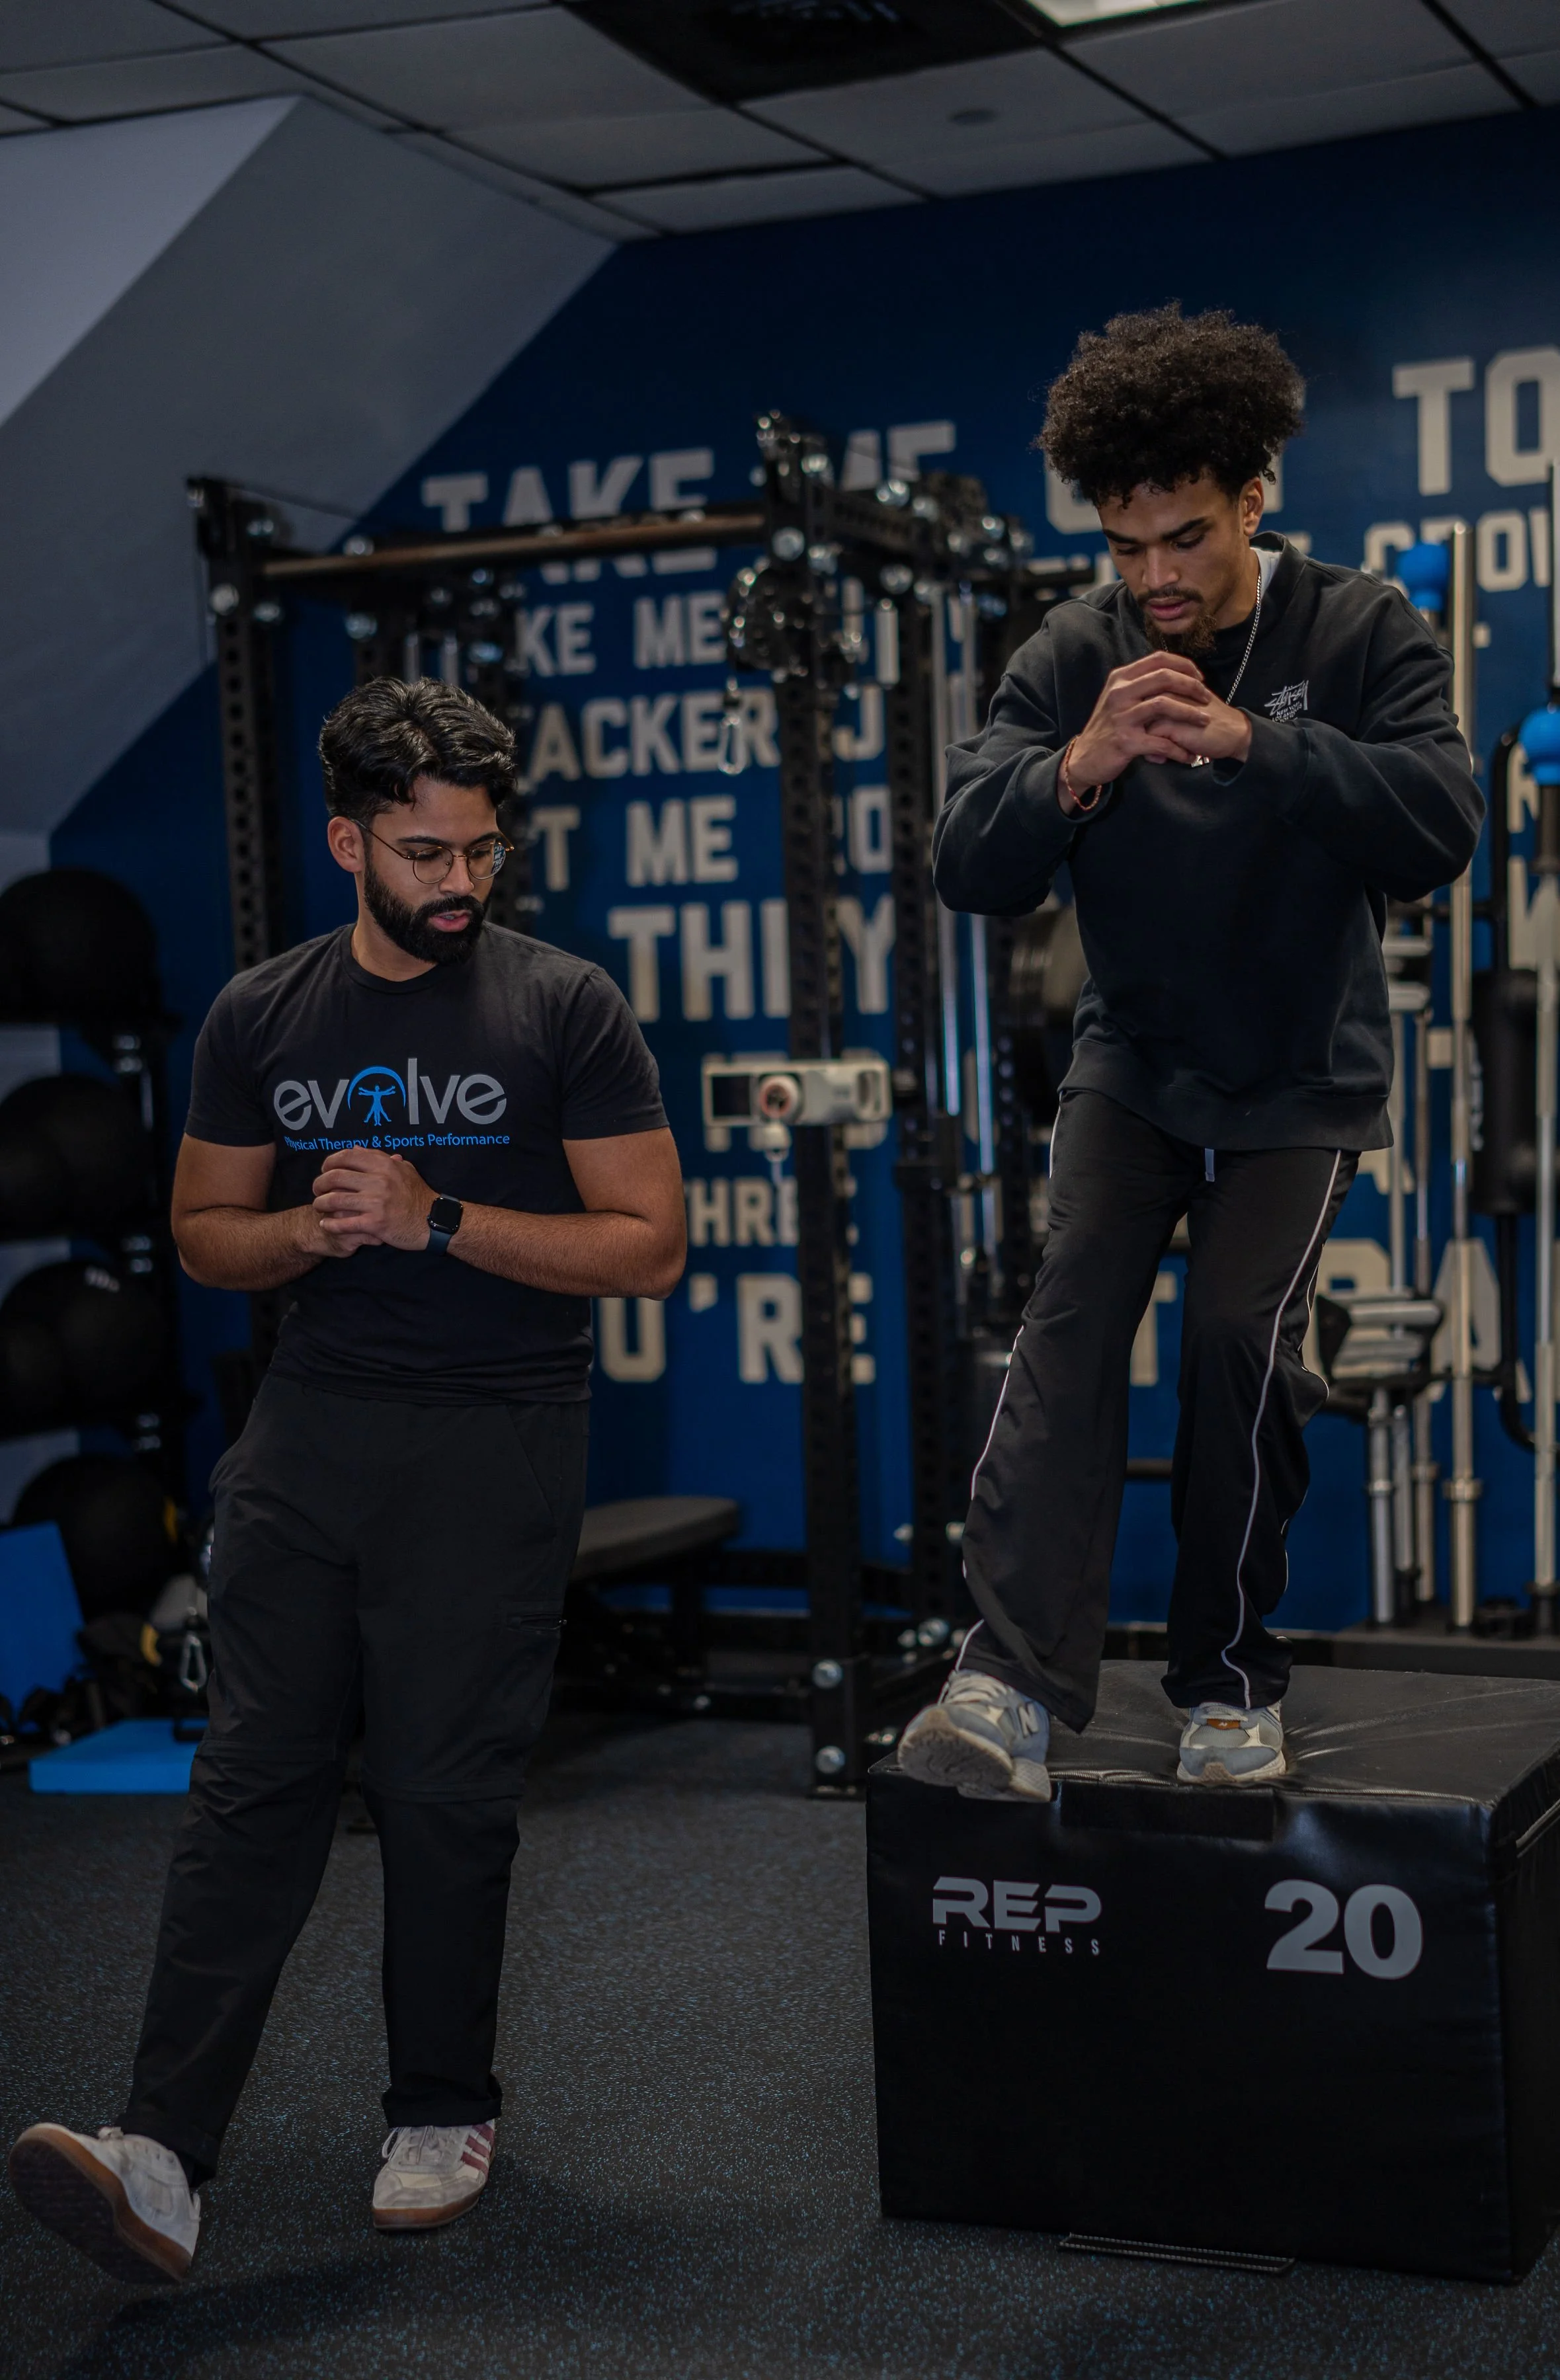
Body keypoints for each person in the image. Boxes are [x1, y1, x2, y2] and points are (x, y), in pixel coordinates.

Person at [9, 677, 685, 2283]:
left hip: (497, 1426)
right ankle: (160, 2156)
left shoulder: (565, 1005)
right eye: (426, 853)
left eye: (482, 852)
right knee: (253, 1778)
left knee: (443, 1790)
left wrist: (437, 1219)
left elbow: (649, 1247)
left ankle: (443, 2106)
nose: (461, 883)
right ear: (348, 844)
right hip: (311, 1425)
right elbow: (203, 1236)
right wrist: (307, 1234)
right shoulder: (263, 1016)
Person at [898, 303, 1481, 1804]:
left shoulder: (1358, 628)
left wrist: (1250, 743)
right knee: (1069, 1319)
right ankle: (1006, 1685)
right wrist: (1079, 766)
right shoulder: (1072, 650)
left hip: (1301, 1076)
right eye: (1125, 545)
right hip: (1134, 1062)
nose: (1155, 576)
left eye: (1186, 538)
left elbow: (1439, 825)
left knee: (1233, 1343)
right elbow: (966, 860)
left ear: (1254, 496)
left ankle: (1226, 1683)